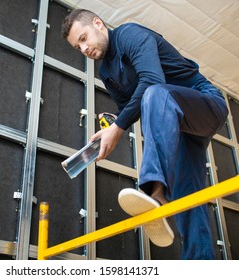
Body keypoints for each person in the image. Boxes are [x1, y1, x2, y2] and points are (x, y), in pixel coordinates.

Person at [61, 9, 228, 259]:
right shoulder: (106, 73)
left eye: (84, 38)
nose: (83, 49)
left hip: (205, 101)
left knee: (155, 93)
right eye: (77, 47)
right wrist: (113, 126)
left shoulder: (130, 35)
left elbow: (152, 81)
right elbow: (131, 109)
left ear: (98, 23)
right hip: (180, 130)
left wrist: (119, 129)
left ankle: (155, 192)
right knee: (189, 200)